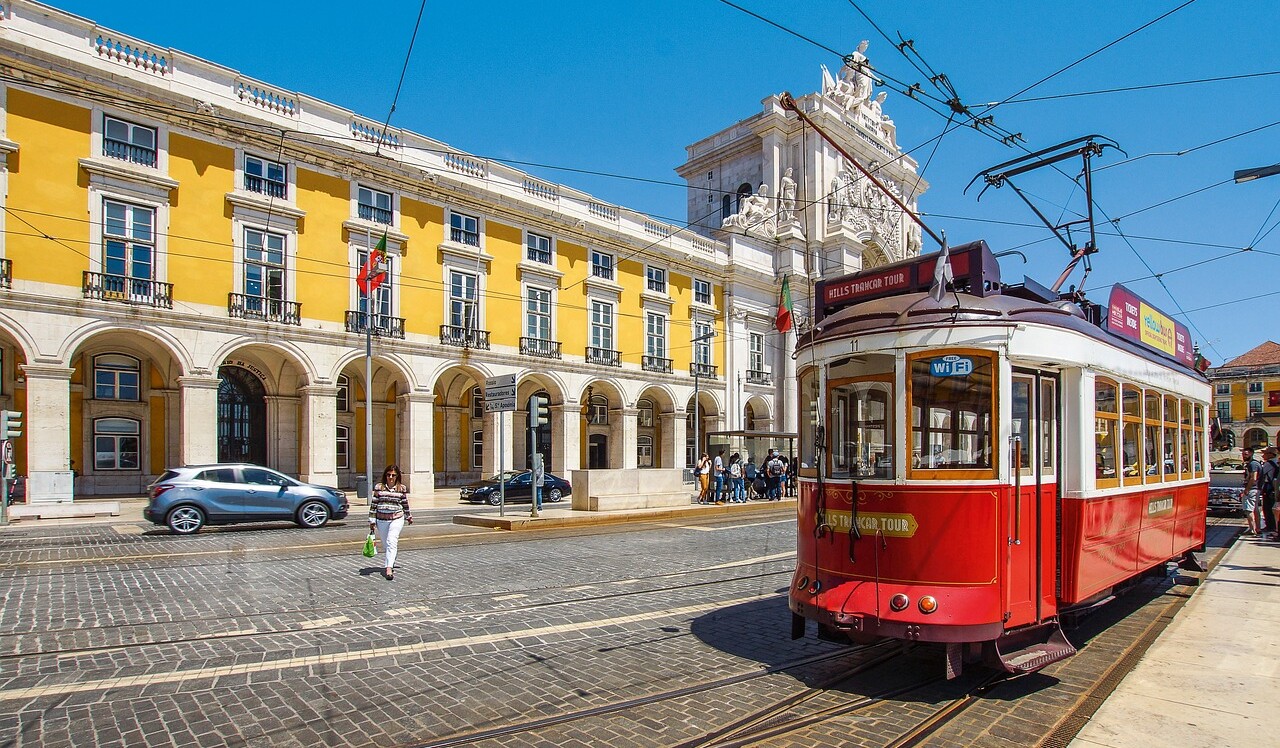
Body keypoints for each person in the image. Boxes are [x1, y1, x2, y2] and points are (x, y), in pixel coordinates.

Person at [369, 464, 411, 580]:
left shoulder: (401, 488)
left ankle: (388, 568)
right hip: (381, 520)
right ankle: (391, 559)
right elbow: (374, 504)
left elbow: (404, 503)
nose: (391, 477)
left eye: (393, 475)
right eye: (388, 475)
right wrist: (372, 520)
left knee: (391, 541)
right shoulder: (379, 487)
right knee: (386, 544)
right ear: (385, 475)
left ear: (397, 476)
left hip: (396, 518)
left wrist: (408, 516)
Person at [1242, 447, 1262, 536]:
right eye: (1243, 454)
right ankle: (1258, 528)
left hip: (1252, 489)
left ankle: (1252, 529)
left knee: (1249, 509)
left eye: (1246, 454)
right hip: (1256, 488)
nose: (1244, 456)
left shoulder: (1252, 464)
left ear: (1251, 454)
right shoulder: (1255, 463)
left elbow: (1253, 478)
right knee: (1255, 509)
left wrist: (1247, 489)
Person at [1262, 446, 1279, 539]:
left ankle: (1270, 526)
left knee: (1267, 507)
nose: (1263, 455)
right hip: (1274, 487)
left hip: (1269, 487)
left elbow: (1261, 474)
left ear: (1271, 455)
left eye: (1265, 453)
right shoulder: (1277, 462)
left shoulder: (1268, 463)